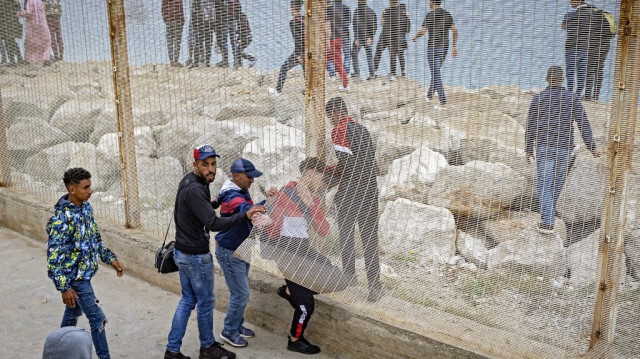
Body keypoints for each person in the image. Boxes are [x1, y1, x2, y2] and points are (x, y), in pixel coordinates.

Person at [165, 145, 266, 359]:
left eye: (213, 164)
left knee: (187, 301)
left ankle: (172, 351)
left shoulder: (193, 182)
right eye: (205, 165)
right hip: (195, 256)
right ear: (195, 165)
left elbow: (200, 208)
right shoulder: (195, 188)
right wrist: (246, 215)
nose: (211, 169)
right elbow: (212, 223)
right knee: (205, 303)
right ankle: (208, 348)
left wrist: (216, 202)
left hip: (183, 252)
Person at [46, 168, 126, 359]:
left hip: (85, 275)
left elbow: (95, 240)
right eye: (86, 187)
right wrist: (64, 287)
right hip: (76, 280)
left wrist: (110, 259)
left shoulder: (86, 209)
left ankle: (57, 351)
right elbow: (53, 257)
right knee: (98, 319)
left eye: (90, 186)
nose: (91, 191)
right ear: (72, 190)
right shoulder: (62, 219)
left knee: (73, 313)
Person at [260, 157, 331, 355]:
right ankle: (295, 339)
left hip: (303, 251)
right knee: (306, 306)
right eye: (322, 179)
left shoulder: (314, 200)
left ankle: (289, 291)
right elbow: (269, 226)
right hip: (285, 253)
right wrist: (270, 203)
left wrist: (312, 205)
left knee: (333, 275)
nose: (323, 184)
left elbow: (324, 231)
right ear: (311, 173)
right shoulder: (284, 192)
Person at [525, 66, 601, 234]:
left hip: (545, 146)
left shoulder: (538, 98)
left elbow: (531, 125)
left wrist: (529, 148)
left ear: (547, 79)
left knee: (544, 185)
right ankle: (549, 215)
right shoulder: (572, 98)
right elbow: (583, 123)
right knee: (555, 184)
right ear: (563, 80)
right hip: (565, 148)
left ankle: (547, 222)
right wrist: (592, 147)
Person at [324, 97, 383, 302]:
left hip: (351, 190)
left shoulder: (338, 131)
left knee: (346, 233)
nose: (330, 120)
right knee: (369, 238)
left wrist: (327, 174)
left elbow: (346, 163)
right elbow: (367, 162)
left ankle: (349, 276)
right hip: (370, 189)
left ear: (335, 113)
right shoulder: (363, 130)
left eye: (330, 116)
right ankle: (375, 287)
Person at [214, 158, 276, 348]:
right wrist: (264, 207)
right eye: (249, 177)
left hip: (242, 248)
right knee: (241, 294)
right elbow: (245, 209)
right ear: (236, 176)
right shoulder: (232, 196)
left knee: (240, 292)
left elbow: (250, 208)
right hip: (231, 252)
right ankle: (229, 331)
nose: (252, 180)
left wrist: (268, 201)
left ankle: (237, 325)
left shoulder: (239, 190)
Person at [413, 0, 458, 110]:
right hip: (444, 48)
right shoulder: (447, 14)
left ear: (432, 1)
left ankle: (443, 102)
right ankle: (429, 95)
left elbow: (423, 31)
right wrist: (454, 46)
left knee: (436, 73)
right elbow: (455, 30)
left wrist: (415, 36)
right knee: (436, 71)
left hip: (433, 48)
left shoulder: (429, 15)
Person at [562, 0, 597, 98]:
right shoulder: (592, 13)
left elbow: (563, 26)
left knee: (570, 71)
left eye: (572, 0)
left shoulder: (571, 14)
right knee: (581, 71)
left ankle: (569, 93)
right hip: (585, 47)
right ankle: (578, 94)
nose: (570, 2)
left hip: (572, 46)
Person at [269, 0, 305, 96]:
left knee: (284, 68)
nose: (290, 9)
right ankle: (309, 90)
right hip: (309, 51)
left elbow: (298, 40)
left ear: (292, 7)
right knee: (306, 72)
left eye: (290, 7)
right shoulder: (305, 19)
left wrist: (299, 55)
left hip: (300, 52)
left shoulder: (293, 22)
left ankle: (277, 91)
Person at [373, 0, 410, 81]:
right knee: (393, 54)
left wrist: (382, 16)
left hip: (384, 35)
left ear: (390, 2)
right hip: (395, 37)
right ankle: (393, 74)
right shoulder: (402, 13)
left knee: (378, 52)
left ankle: (374, 71)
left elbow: (382, 24)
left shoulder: (386, 11)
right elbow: (407, 29)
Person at [584, 7, 615, 101]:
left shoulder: (592, 17)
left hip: (595, 46)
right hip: (605, 46)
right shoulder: (605, 16)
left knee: (589, 69)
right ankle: (596, 96)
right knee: (599, 69)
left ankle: (587, 95)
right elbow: (612, 34)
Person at [325, 0, 349, 90]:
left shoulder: (327, 11)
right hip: (339, 38)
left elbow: (328, 28)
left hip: (331, 40)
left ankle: (341, 81)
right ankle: (343, 81)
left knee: (327, 60)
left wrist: (327, 40)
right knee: (337, 61)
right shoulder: (337, 10)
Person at [351, 0, 377, 80]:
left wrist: (356, 37)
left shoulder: (357, 11)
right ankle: (372, 74)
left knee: (354, 54)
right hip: (368, 38)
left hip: (359, 38)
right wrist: (371, 37)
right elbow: (375, 26)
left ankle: (357, 73)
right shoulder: (371, 11)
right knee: (369, 56)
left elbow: (355, 25)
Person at [189, 0, 216, 69]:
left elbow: (194, 8)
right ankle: (207, 63)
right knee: (207, 43)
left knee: (198, 42)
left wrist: (194, 22)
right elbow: (213, 9)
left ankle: (196, 63)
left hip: (201, 21)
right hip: (209, 21)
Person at [0, 0, 24, 66]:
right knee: (9, 40)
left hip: (10, 21)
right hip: (4, 21)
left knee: (9, 40)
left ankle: (13, 60)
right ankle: (17, 59)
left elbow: (18, 6)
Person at [162, 0, 185, 67]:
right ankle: (176, 60)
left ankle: (171, 61)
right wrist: (182, 20)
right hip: (177, 20)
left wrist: (165, 19)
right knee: (177, 42)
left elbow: (163, 9)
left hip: (168, 21)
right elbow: (180, 9)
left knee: (170, 41)